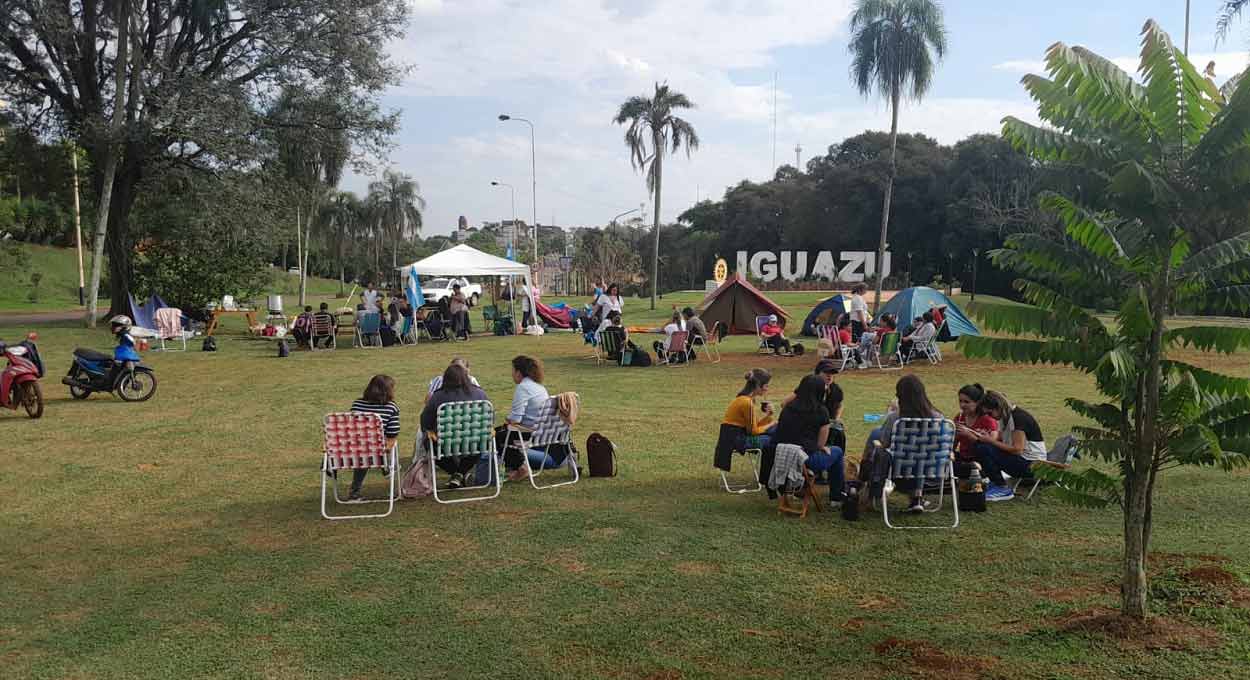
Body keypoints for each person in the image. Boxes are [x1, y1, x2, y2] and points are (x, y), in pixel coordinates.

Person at [860, 374, 943, 513]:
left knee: (878, 445)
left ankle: (867, 489)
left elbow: (884, 444)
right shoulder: (939, 419)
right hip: (932, 471)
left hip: (900, 471)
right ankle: (917, 497)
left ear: (900, 396)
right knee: (920, 457)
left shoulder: (896, 419)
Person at [774, 374, 847, 504]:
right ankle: (836, 496)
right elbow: (820, 444)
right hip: (805, 458)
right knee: (837, 451)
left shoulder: (788, 408)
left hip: (783, 456)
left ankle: (800, 486)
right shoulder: (821, 411)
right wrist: (821, 447)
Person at [421, 363, 489, 489]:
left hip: (445, 444)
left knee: (428, 441)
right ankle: (460, 473)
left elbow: (425, 422)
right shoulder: (480, 394)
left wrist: (430, 430)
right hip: (474, 442)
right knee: (482, 438)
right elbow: (489, 418)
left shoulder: (438, 396)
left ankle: (456, 473)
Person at [971, 390, 1047, 502]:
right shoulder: (1005, 416)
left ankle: (1001, 487)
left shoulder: (1018, 418)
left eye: (990, 413)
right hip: (1024, 461)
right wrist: (986, 436)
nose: (989, 416)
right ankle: (996, 483)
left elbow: (1017, 449)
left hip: (1032, 466)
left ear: (998, 407)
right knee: (981, 444)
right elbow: (1002, 439)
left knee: (983, 448)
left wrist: (990, 441)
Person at [495, 355, 551, 482]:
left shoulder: (523, 388)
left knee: (495, 436)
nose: (512, 374)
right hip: (542, 432)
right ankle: (517, 466)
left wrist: (508, 420)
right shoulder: (539, 387)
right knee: (501, 433)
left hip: (527, 432)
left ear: (519, 373)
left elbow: (515, 419)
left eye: (513, 371)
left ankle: (521, 468)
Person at [346, 374, 400, 502]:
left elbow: (351, 430)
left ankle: (355, 491)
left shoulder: (357, 404)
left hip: (353, 453)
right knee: (388, 445)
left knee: (364, 448)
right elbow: (393, 433)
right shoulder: (391, 407)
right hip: (378, 452)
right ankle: (387, 470)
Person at [715, 368, 777, 465]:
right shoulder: (746, 402)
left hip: (737, 436)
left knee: (777, 431)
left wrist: (768, 416)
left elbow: (754, 426)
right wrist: (772, 423)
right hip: (737, 440)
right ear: (757, 386)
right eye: (766, 386)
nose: (767, 389)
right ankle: (769, 475)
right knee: (775, 439)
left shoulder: (746, 399)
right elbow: (754, 431)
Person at [953, 383, 998, 472]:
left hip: (981, 459)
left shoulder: (987, 420)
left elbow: (992, 447)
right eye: (960, 401)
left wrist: (969, 435)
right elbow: (953, 444)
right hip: (964, 457)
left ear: (977, 403)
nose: (962, 405)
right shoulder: (959, 417)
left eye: (967, 402)